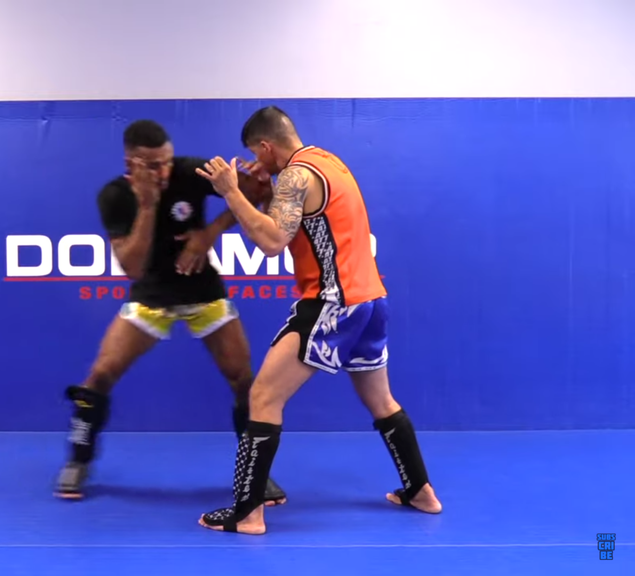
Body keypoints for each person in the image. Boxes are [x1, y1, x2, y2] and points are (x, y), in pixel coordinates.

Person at [192, 106, 442, 535]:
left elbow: (273, 240)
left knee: (263, 396)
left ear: (266, 146)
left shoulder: (295, 175)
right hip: (370, 301)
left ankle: (248, 514)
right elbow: (298, 222)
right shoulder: (326, 161)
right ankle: (421, 491)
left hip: (333, 303)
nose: (255, 161)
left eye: (255, 153)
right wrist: (264, 190)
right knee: (382, 402)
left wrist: (231, 191)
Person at [54, 119, 287, 506]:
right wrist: (148, 205)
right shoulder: (114, 196)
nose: (164, 171)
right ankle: (78, 459)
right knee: (100, 375)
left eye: (167, 161)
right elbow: (132, 267)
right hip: (151, 296)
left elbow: (254, 191)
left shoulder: (188, 170)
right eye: (153, 165)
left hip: (203, 292)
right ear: (131, 163)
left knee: (244, 380)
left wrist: (210, 232)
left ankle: (255, 473)